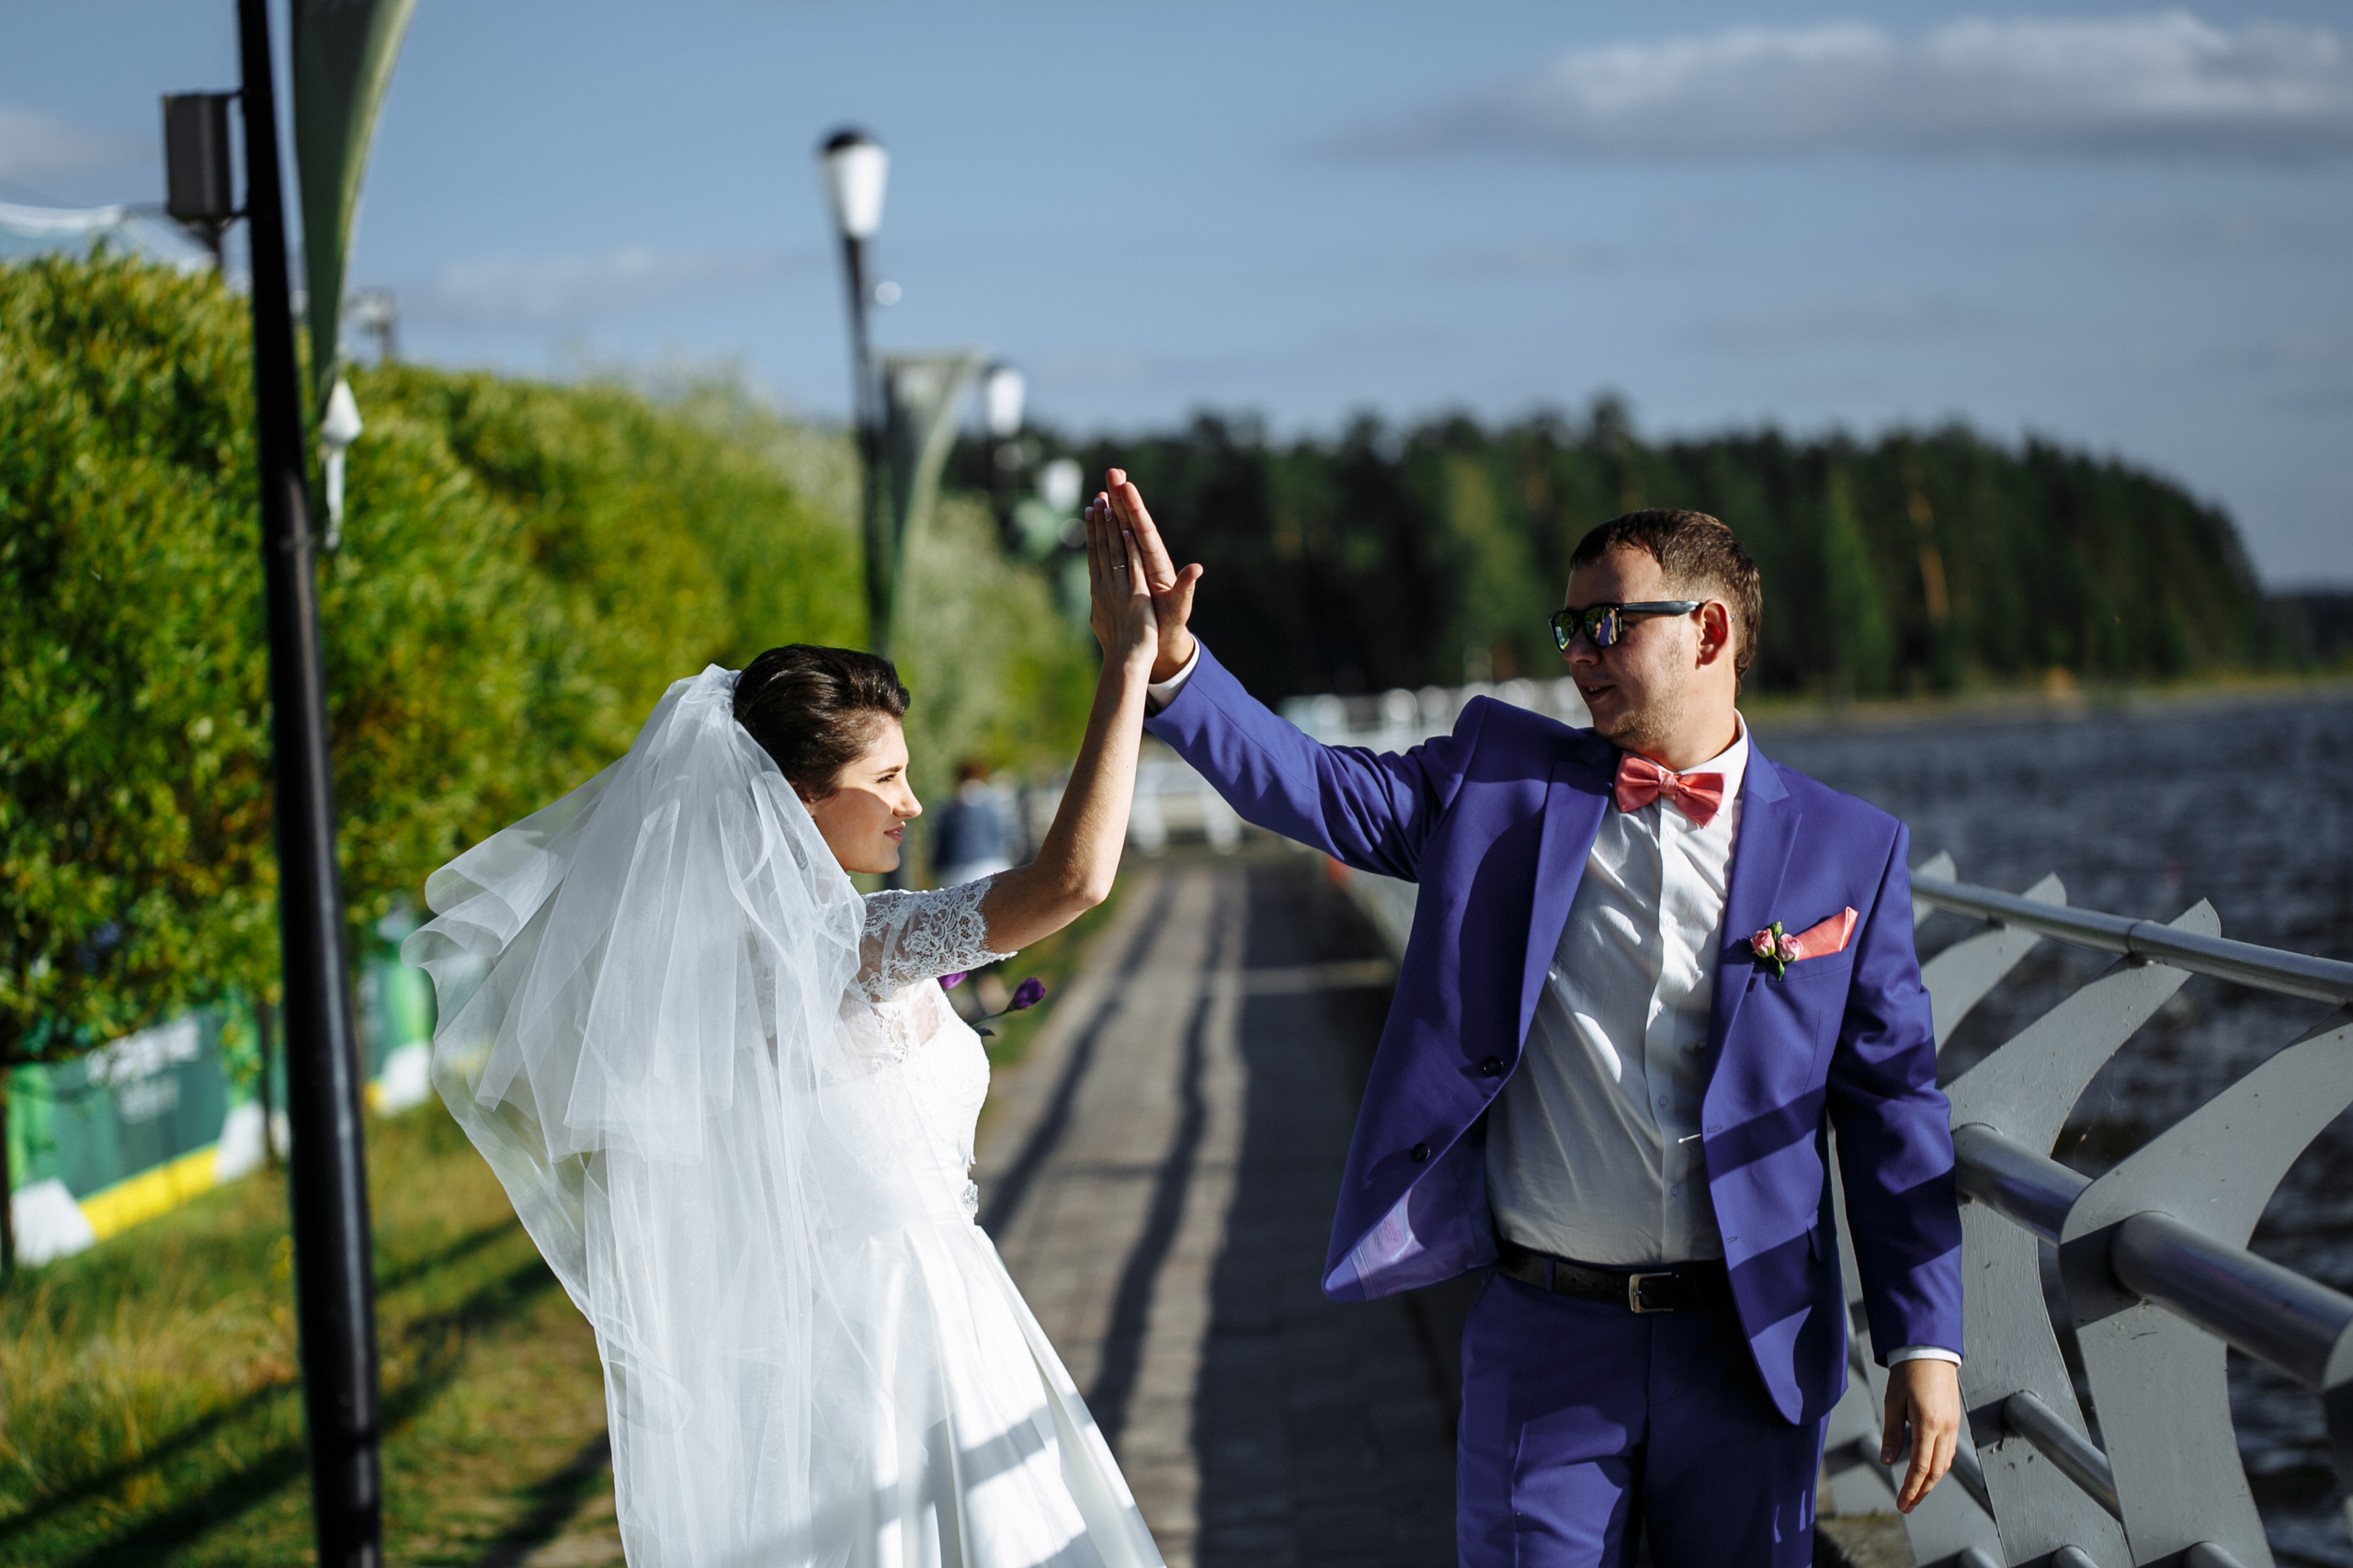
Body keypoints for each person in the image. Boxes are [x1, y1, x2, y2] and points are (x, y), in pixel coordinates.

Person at [1094, 472, 1963, 1566]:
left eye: (1605, 624)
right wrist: (1174, 667)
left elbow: (1893, 1108)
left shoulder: (1853, 848)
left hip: (1748, 1348)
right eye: (1568, 626)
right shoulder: (1498, 785)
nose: (1576, 653)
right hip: (1547, 1336)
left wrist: (1924, 1339)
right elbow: (1309, 786)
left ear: (1708, 630)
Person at [403, 504, 1168, 1567]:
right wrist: (1127, 667)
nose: (909, 803)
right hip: (913, 1337)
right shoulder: (858, 943)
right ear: (791, 802)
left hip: (827, 1349)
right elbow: (1072, 880)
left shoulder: (723, 964)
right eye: (882, 780)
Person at [933, 758, 1016, 889]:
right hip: (995, 868)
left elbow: (941, 845)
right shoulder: (995, 803)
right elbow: (1006, 837)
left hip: (959, 873)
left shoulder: (949, 808)